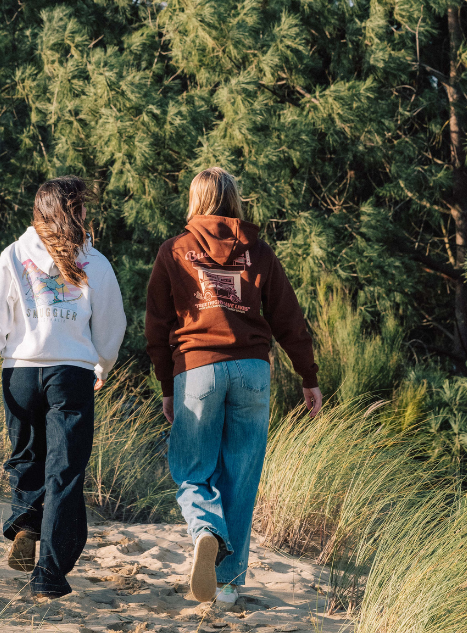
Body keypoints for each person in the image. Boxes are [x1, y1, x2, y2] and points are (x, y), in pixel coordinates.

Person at [145, 167, 321, 608]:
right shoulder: (258, 252)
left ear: (195, 200)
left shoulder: (174, 250)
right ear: (234, 199)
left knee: (192, 469)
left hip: (197, 369)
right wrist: (308, 377)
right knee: (241, 478)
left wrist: (167, 384)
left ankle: (207, 530)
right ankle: (226, 585)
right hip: (252, 371)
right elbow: (289, 319)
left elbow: (157, 326)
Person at [0, 176, 126, 602]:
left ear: (39, 212)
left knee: (26, 456)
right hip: (70, 374)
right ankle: (49, 574)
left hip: (20, 373)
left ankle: (26, 522)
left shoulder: (14, 254)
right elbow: (112, 325)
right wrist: (102, 364)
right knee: (64, 471)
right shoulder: (95, 262)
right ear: (77, 213)